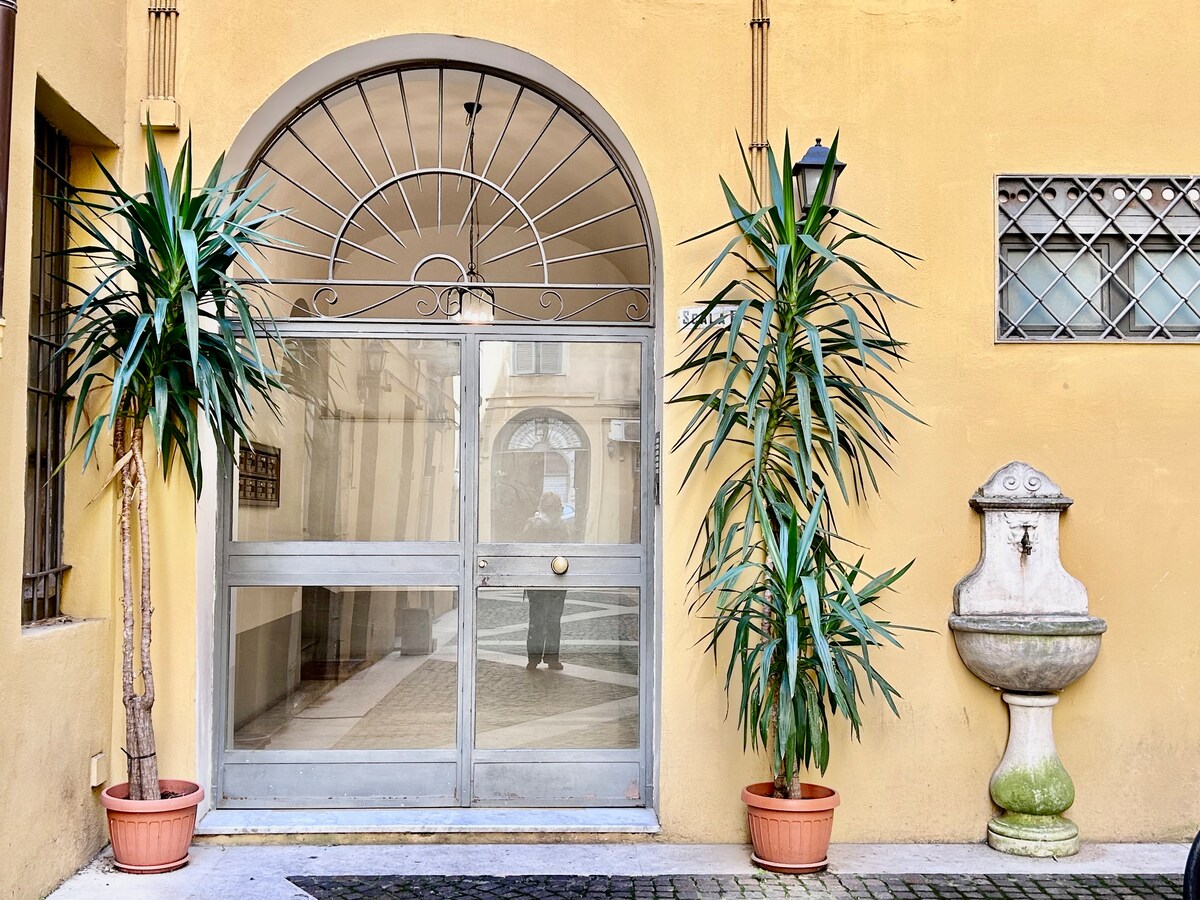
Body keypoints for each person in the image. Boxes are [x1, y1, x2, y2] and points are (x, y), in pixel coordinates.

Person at [520, 492, 570, 671]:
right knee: (550, 620)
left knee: (539, 620)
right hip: (552, 579)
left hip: (543, 580)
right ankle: (549, 658)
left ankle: (535, 659)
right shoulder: (558, 526)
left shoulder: (533, 524)